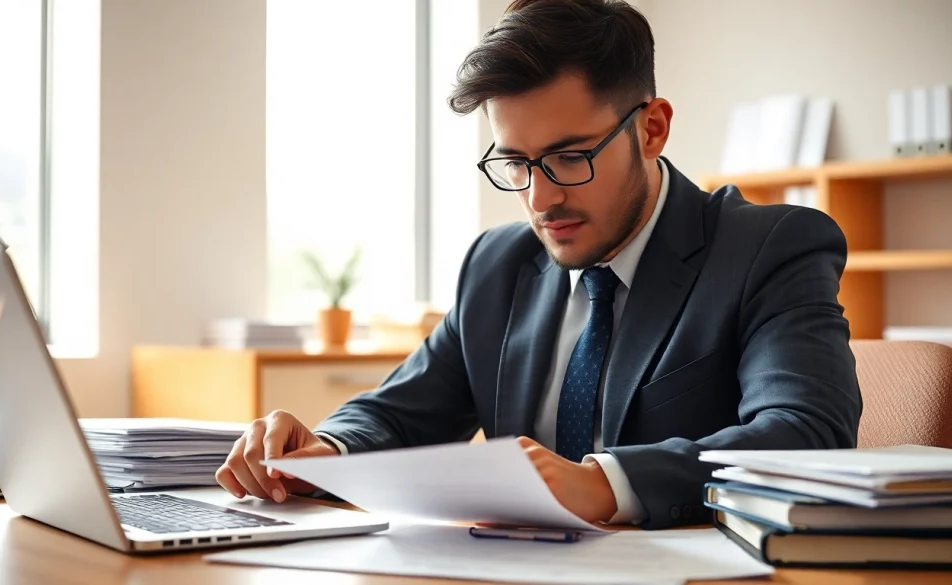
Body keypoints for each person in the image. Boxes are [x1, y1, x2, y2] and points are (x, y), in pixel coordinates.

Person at [217, 0, 862, 529]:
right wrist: (322, 452)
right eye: (516, 163)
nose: (540, 196)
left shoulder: (770, 246)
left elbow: (806, 435)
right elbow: (399, 412)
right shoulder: (500, 263)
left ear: (652, 130)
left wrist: (604, 485)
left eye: (569, 156)